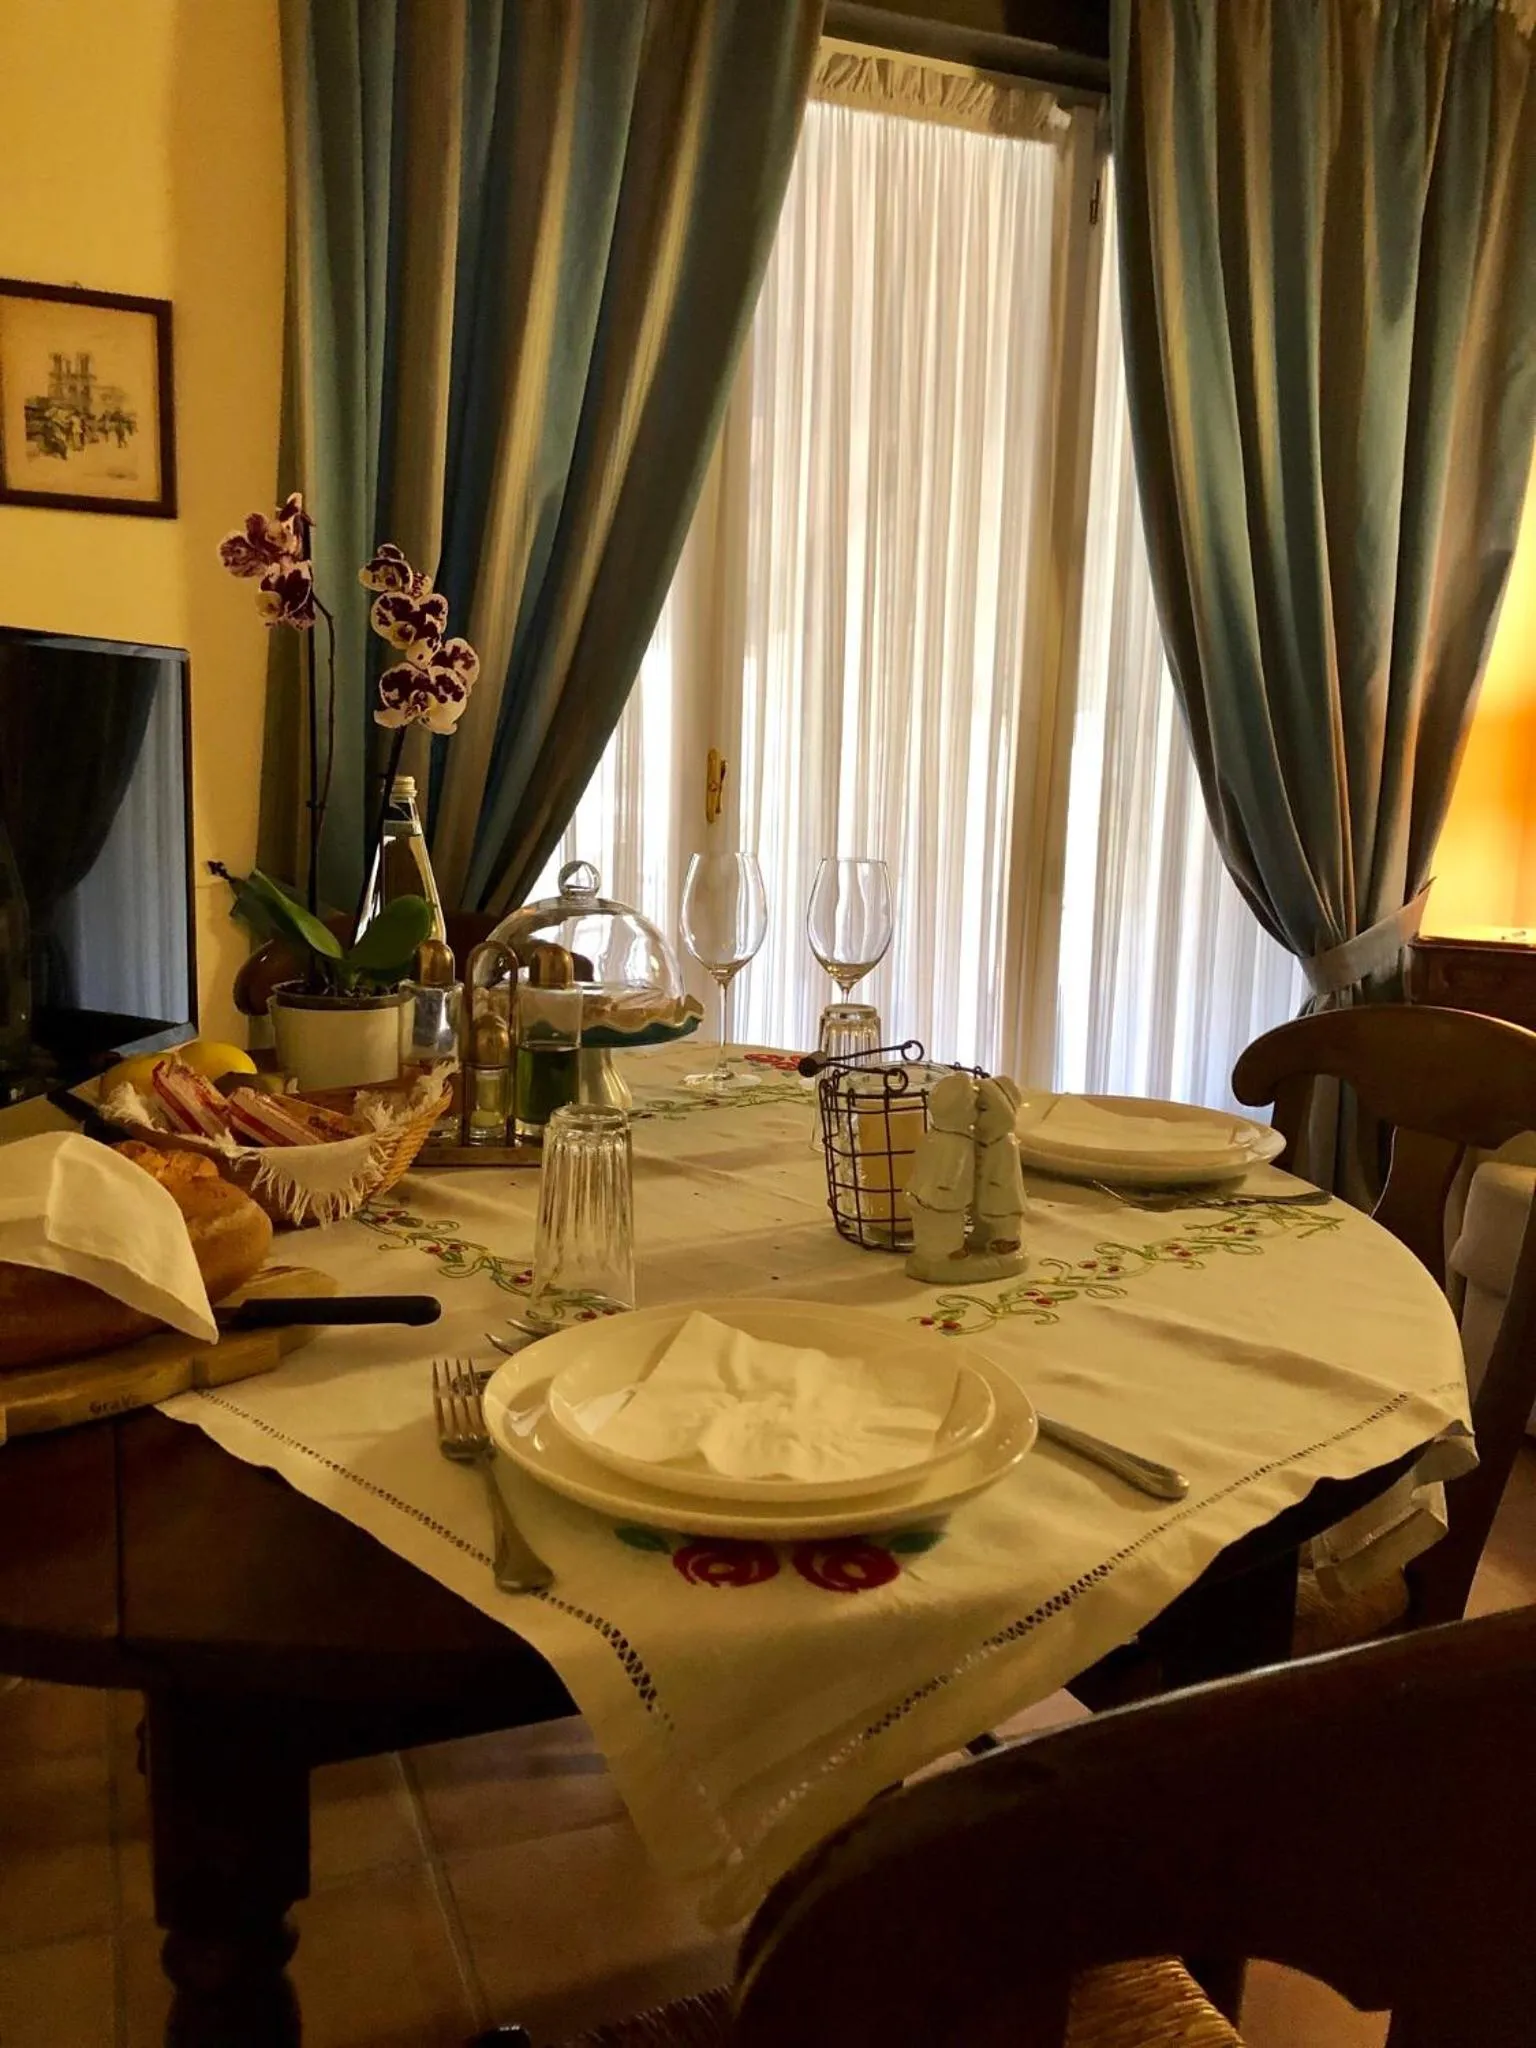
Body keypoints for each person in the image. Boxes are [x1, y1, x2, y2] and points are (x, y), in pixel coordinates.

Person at [905, 1073, 977, 1281]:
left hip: (922, 1191)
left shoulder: (933, 1136)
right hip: (942, 1198)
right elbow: (951, 1174)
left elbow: (920, 1161)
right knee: (946, 1226)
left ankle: (932, 1252)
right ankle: (945, 1253)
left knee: (928, 1226)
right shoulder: (959, 1143)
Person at [972, 1076, 1025, 1259]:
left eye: (983, 1110)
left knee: (1002, 1219)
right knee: (981, 1214)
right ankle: (982, 1235)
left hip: (1001, 1194)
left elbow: (1004, 1173)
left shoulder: (1005, 1143)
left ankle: (1006, 1242)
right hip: (986, 1191)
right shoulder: (986, 1141)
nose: (976, 1117)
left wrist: (989, 1179)